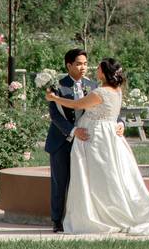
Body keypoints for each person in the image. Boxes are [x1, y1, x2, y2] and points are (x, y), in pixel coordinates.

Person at [45, 57, 149, 235]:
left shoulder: (99, 92)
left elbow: (76, 104)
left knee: (98, 178)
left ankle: (102, 215)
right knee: (109, 176)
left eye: (97, 68)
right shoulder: (116, 90)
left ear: (104, 72)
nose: (92, 69)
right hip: (106, 137)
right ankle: (95, 214)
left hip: (96, 138)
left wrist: (54, 98)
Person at [43, 48, 125, 233]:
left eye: (85, 64)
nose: (83, 67)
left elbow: (108, 108)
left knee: (84, 182)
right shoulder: (57, 86)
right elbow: (55, 115)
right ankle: (57, 221)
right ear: (69, 65)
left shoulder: (95, 85)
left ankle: (84, 219)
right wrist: (73, 131)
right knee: (60, 182)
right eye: (79, 64)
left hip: (88, 142)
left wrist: (121, 122)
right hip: (62, 141)